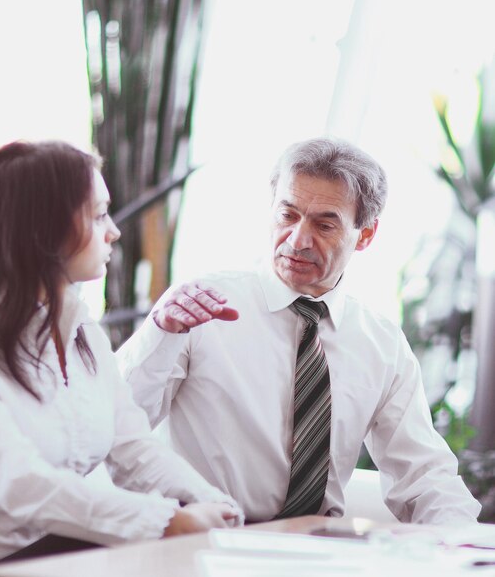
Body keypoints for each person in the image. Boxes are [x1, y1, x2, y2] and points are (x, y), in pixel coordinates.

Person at [0, 140, 243, 577]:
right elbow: (21, 484)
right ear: (43, 229)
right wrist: (168, 520)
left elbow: (134, 449)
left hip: (54, 561)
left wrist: (211, 502)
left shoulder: (83, 335)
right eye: (97, 215)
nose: (113, 231)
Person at [118, 136, 482, 525]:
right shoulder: (198, 307)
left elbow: (424, 475)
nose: (298, 240)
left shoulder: (382, 344)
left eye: (325, 224)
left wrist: (466, 547)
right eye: (287, 215)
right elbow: (115, 420)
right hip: (206, 539)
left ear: (366, 235)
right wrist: (157, 334)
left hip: (317, 551)